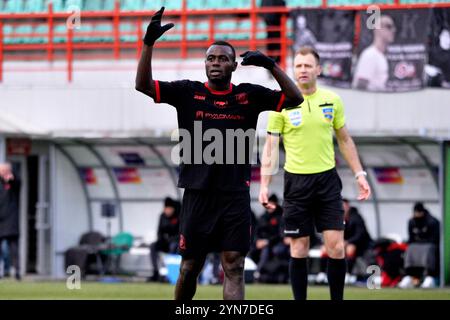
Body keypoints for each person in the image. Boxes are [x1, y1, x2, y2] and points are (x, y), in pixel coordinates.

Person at [135, 7, 302, 300]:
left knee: (233, 265)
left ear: (234, 66)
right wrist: (148, 45)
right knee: (190, 266)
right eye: (210, 58)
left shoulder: (248, 95)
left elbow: (295, 98)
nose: (215, 63)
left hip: (235, 196)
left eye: (223, 58)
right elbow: (143, 86)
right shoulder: (187, 92)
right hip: (197, 194)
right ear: (204, 64)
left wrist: (271, 65)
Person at [259, 47, 371, 300]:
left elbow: (344, 140)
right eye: (298, 66)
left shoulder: (332, 100)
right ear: (293, 71)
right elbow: (270, 145)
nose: (303, 70)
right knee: (299, 248)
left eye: (308, 65)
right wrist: (265, 185)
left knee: (336, 247)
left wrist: (359, 174)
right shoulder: (281, 103)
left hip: (327, 182)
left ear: (318, 70)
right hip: (296, 183)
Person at [316, 199, 373, 284]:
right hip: (341, 243)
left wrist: (347, 242)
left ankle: (347, 274)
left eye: (344, 206)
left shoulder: (356, 218)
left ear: (348, 207)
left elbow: (360, 235)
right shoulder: (335, 217)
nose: (342, 208)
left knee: (350, 248)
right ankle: (322, 274)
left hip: (360, 244)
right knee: (324, 249)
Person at [398, 202, 440, 289]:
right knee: (409, 248)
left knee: (428, 249)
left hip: (429, 246)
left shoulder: (432, 221)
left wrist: (422, 241)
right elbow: (411, 238)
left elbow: (434, 239)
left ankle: (430, 277)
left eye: (418, 212)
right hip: (416, 246)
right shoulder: (411, 221)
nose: (416, 214)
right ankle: (409, 276)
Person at [352, 15, 396, 91]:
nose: (393, 30)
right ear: (377, 29)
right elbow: (360, 86)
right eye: (389, 26)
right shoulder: (370, 55)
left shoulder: (381, 55)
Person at [254, 194, 289, 282]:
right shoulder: (263, 217)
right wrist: (257, 241)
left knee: (274, 250)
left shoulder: (281, 217)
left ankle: (258, 272)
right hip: (263, 244)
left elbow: (280, 234)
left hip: (276, 243)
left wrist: (267, 242)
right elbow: (257, 232)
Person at [148, 197, 180, 282]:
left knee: (173, 246)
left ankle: (170, 274)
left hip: (175, 243)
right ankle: (155, 272)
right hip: (165, 242)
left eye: (169, 209)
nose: (167, 210)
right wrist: (161, 240)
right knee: (153, 246)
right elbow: (159, 231)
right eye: (166, 208)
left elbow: (180, 233)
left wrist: (172, 240)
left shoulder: (178, 216)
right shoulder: (162, 216)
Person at [0, 162, 21, 281]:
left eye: (4, 170)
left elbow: (17, 182)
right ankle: (2, 270)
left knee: (13, 248)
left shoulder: (13, 182)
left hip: (11, 221)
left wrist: (11, 178)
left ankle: (16, 271)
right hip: (0, 221)